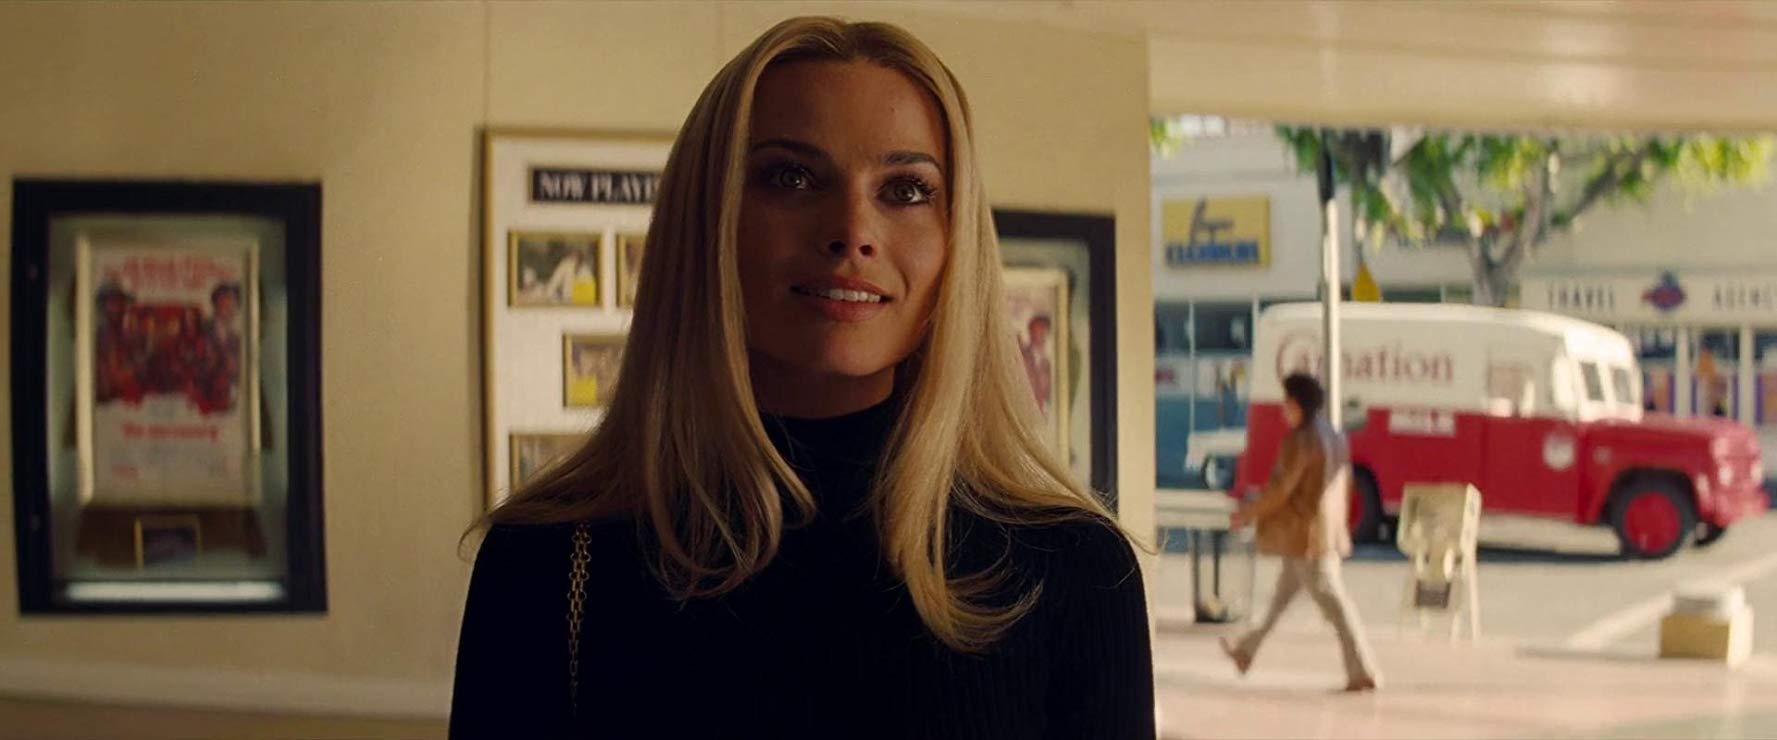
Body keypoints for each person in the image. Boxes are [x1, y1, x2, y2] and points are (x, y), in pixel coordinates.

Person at [451, 17, 1154, 739]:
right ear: (709, 220)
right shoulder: (548, 563)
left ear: (956, 240)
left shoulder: (1073, 571)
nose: (852, 230)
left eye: (906, 190)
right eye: (791, 177)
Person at [1220, 373, 1381, 693]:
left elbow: (1280, 490)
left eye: (1286, 401)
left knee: (1335, 604)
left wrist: (1247, 512)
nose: (1283, 408)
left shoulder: (1301, 440)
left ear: (1296, 403)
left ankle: (1363, 670)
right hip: (1323, 534)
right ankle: (1246, 651)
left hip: (1306, 538)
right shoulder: (1334, 434)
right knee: (1280, 600)